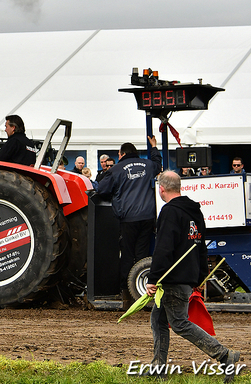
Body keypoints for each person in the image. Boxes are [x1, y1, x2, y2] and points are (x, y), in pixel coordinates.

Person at [145, 171, 240, 381]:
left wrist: (153, 278)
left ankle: (225, 356)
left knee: (179, 323)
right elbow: (200, 246)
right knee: (158, 320)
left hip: (173, 279)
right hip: (186, 277)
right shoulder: (194, 211)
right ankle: (158, 370)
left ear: (161, 188)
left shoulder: (169, 211)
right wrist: (199, 277)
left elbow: (163, 247)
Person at [97, 136, 162, 309]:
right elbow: (157, 163)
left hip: (128, 218)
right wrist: (154, 147)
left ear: (121, 154)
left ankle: (126, 293)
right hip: (148, 217)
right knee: (141, 254)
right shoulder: (148, 165)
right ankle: (140, 292)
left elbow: (101, 189)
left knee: (127, 254)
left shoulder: (117, 169)